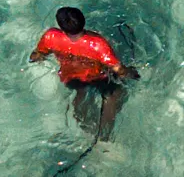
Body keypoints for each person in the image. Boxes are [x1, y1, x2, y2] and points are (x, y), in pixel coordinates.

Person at [29, 7, 137, 136]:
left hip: (71, 79)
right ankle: (105, 135)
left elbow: (37, 56)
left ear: (62, 28)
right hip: (98, 77)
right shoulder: (97, 44)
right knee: (114, 94)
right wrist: (132, 73)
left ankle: (87, 130)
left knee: (81, 95)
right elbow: (118, 69)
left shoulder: (51, 36)